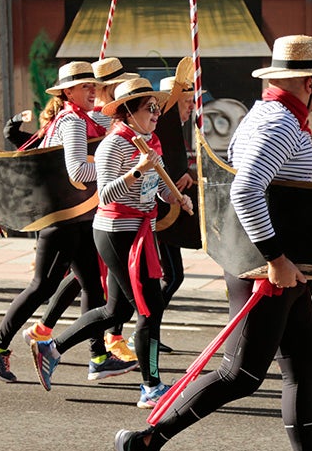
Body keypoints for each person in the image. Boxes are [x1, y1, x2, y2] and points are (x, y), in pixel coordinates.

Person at [114, 35, 312, 451]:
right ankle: (144, 442)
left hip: (284, 270)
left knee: (302, 369)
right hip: (268, 270)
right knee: (241, 374)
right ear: (309, 82)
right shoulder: (278, 123)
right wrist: (275, 257)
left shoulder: (272, 116)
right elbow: (245, 190)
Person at [30, 77, 192, 406]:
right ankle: (151, 386)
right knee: (149, 308)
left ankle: (52, 347)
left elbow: (159, 186)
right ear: (129, 112)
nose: (156, 113)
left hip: (140, 230)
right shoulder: (113, 144)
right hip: (117, 232)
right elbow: (105, 194)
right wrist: (136, 171)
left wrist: (175, 197)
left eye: (156, 107)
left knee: (116, 309)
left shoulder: (150, 141)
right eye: (150, 108)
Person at [0, 61, 132, 384]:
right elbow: (78, 172)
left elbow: (115, 121)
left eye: (94, 85)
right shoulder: (72, 121)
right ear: (68, 92)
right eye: (85, 86)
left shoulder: (82, 117)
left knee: (92, 287)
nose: (92, 90)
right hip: (63, 221)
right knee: (42, 286)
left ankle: (98, 357)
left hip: (78, 218)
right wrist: (121, 171)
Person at [151, 72, 199, 347]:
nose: (192, 106)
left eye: (192, 100)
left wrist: (187, 174)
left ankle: (145, 334)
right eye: (186, 100)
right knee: (170, 277)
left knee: (171, 277)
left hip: (170, 214)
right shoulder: (161, 129)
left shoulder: (174, 131)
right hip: (158, 215)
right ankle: (142, 335)